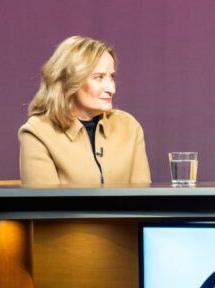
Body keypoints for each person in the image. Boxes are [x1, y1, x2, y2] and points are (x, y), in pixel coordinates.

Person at [19, 36, 151, 186]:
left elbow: (142, 198)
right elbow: (45, 206)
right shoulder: (37, 131)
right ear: (70, 81)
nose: (111, 89)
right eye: (98, 77)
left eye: (111, 77)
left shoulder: (129, 126)